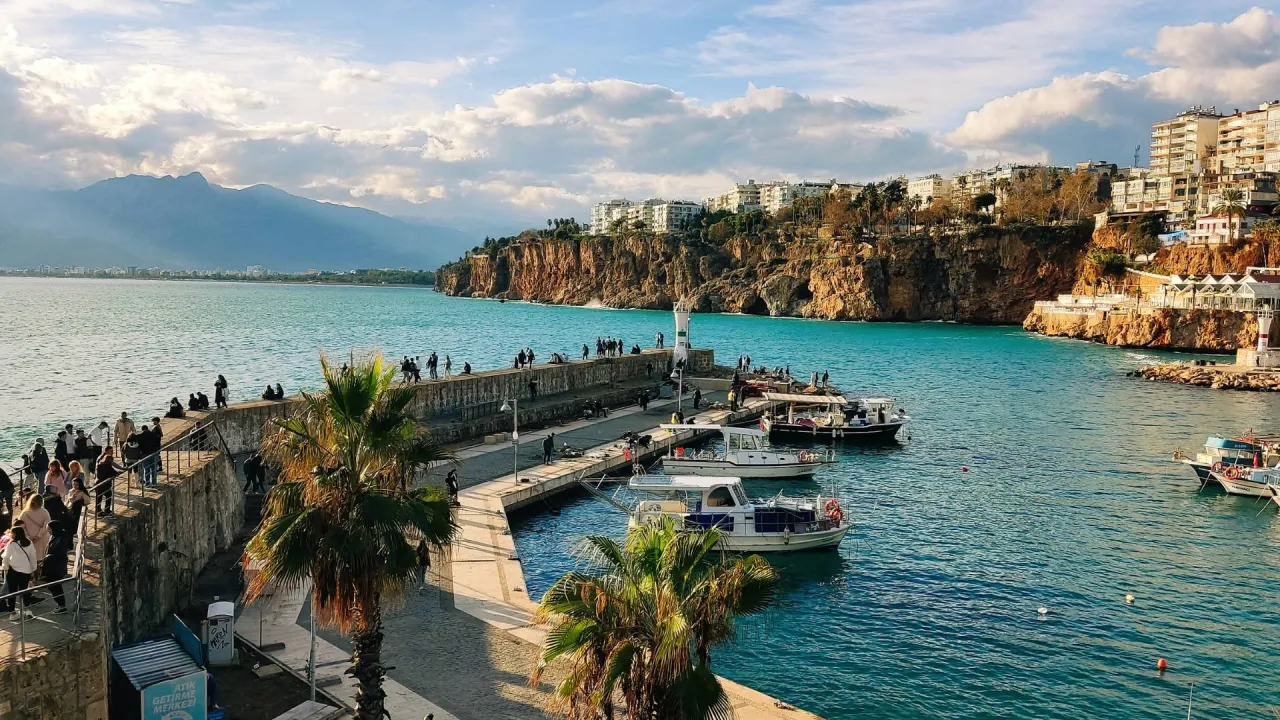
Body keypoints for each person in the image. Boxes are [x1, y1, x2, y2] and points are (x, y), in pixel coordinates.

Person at [1, 525, 38, 619]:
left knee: (12, 593)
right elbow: (33, 557)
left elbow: (6, 557)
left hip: (13, 570)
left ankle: (13, 613)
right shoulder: (29, 542)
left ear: (15, 534)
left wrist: (5, 567)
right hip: (26, 571)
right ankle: (28, 610)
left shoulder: (12, 544)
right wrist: (33, 569)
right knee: (25, 591)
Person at [18, 494, 51, 561]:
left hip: (29, 539)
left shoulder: (24, 513)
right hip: (41, 539)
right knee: (41, 557)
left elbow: (20, 527)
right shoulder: (44, 512)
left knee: (29, 558)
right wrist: (39, 536)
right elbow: (47, 526)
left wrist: (27, 536)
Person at [94, 447, 123, 515]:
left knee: (99, 498)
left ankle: (98, 511)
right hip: (105, 484)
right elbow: (114, 473)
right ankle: (107, 510)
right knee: (108, 495)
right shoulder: (108, 466)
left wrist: (121, 468)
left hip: (97, 483)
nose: (112, 452)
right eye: (111, 451)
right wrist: (121, 471)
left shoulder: (100, 465)